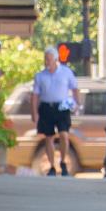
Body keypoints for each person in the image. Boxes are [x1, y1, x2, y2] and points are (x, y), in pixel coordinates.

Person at [31, 45, 80, 175]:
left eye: (49, 59)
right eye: (45, 59)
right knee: (49, 137)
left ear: (56, 59)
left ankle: (63, 162)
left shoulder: (66, 72)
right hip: (47, 107)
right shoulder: (40, 76)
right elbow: (35, 95)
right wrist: (34, 113)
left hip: (63, 106)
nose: (47, 62)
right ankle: (52, 166)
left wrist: (76, 104)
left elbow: (75, 89)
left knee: (64, 134)